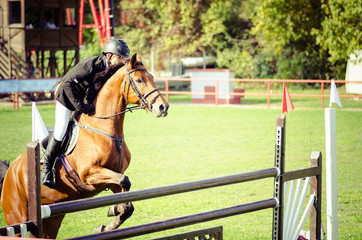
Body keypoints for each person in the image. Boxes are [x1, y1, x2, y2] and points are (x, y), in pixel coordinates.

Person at [41, 39, 131, 189]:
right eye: (120, 57)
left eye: (123, 58)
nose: (122, 61)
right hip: (67, 98)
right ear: (109, 55)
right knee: (61, 131)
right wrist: (79, 105)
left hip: (84, 101)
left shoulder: (112, 69)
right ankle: (47, 169)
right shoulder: (90, 64)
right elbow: (67, 83)